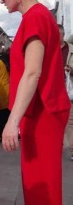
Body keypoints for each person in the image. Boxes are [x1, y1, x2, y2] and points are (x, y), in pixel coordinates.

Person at [0, 0, 71, 204]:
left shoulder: (35, 18)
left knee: (42, 186)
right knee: (38, 182)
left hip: (42, 112)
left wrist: (12, 121)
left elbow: (32, 73)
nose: (2, 1)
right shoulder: (38, 16)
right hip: (40, 111)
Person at [59, 24, 73, 161]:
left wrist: (71, 69)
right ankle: (57, 146)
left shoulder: (71, 49)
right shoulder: (49, 49)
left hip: (69, 89)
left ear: (63, 35)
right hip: (54, 90)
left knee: (70, 121)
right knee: (56, 120)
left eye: (59, 35)